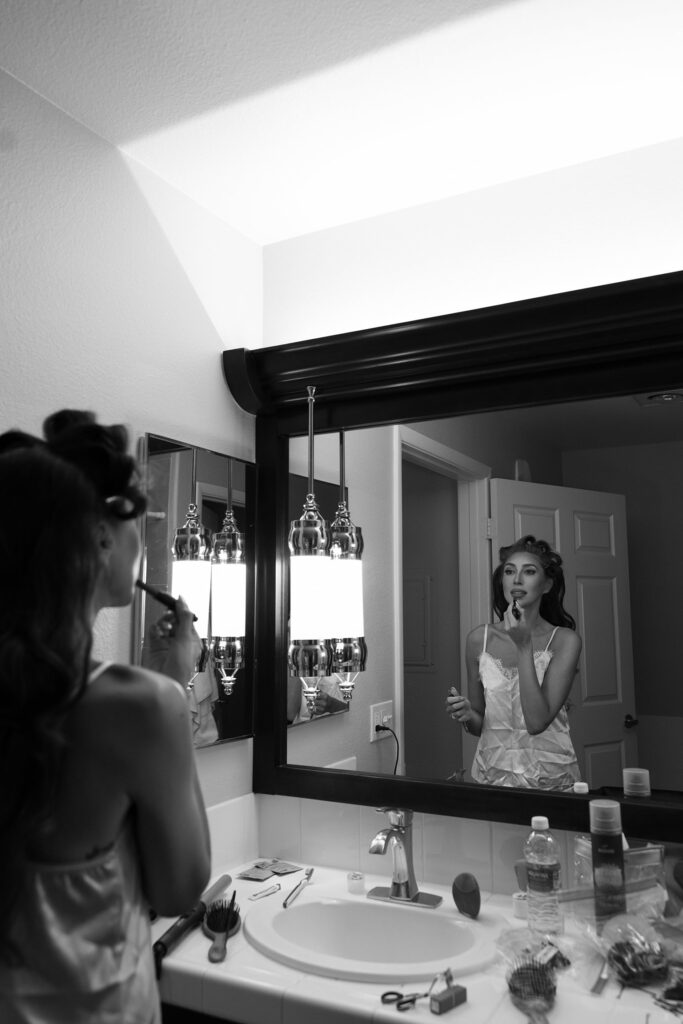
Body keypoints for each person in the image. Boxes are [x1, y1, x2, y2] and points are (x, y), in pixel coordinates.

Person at [0, 410, 211, 1024]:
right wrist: (177, 687)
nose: (142, 542)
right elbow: (179, 888)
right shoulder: (142, 707)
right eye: (137, 523)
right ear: (98, 537)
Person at [445, 535, 582, 791]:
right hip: (492, 777)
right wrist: (466, 714)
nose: (517, 579)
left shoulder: (564, 641)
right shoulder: (479, 640)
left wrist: (523, 645)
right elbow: (480, 725)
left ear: (547, 585)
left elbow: (537, 722)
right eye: (509, 571)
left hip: (551, 780)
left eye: (529, 571)